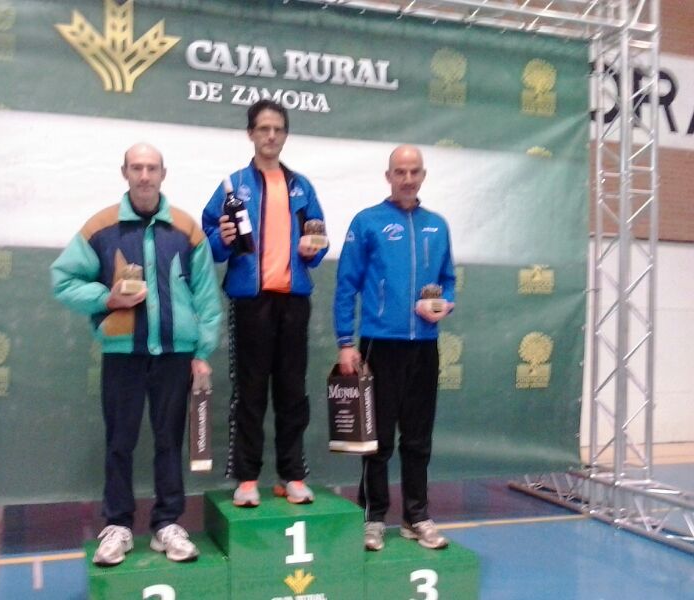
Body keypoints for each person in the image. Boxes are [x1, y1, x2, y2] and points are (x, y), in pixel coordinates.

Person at [51, 143, 222, 566]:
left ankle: (167, 524)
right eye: (136, 168)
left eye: (151, 168)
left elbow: (206, 297)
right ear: (124, 172)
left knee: (169, 441)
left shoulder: (186, 229)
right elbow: (63, 280)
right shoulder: (101, 227)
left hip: (175, 356)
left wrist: (202, 351)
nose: (144, 176)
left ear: (164, 173)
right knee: (119, 441)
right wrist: (106, 298)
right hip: (122, 355)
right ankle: (118, 526)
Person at [202, 99, 328, 507]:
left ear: (285, 135)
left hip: (293, 301)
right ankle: (247, 479)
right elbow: (209, 242)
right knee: (250, 391)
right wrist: (221, 239)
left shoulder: (302, 186)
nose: (271, 135)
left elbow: (319, 238)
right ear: (251, 134)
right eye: (263, 128)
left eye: (278, 129)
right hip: (250, 302)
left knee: (293, 392)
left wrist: (313, 249)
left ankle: (292, 476)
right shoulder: (233, 185)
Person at [333, 145, 455, 551]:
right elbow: (346, 285)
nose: (407, 179)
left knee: (418, 438)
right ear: (388, 177)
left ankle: (416, 516)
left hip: (424, 345)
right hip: (379, 344)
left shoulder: (437, 225)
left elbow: (448, 280)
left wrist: (445, 303)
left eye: (414, 171)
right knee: (378, 439)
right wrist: (345, 342)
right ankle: (373, 517)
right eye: (400, 172)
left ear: (423, 176)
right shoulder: (367, 222)